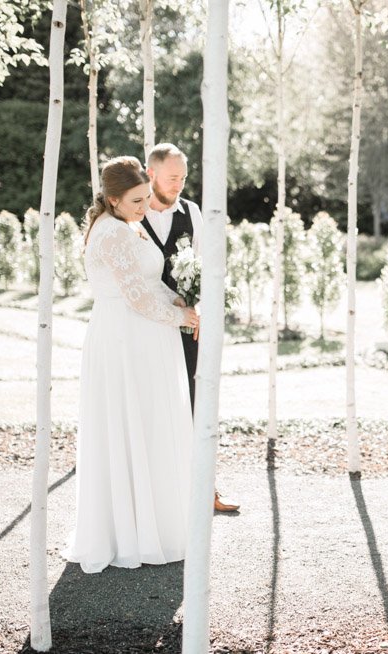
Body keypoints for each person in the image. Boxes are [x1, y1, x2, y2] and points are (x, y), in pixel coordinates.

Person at [65, 156, 200, 573]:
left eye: (146, 198)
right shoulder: (111, 233)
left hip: (145, 335)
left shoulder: (128, 224)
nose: (145, 207)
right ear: (112, 199)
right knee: (130, 424)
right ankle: (131, 532)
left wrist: (177, 299)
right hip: (125, 337)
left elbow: (150, 282)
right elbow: (135, 299)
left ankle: (155, 523)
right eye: (137, 200)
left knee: (150, 424)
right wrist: (182, 318)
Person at [142, 143, 239, 513]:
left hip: (188, 326)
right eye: (173, 178)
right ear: (151, 175)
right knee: (152, 404)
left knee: (197, 404)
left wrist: (201, 304)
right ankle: (157, 494)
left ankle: (204, 489)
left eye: (183, 177)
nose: (180, 184)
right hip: (147, 323)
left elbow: (208, 262)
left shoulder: (192, 212)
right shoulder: (131, 214)